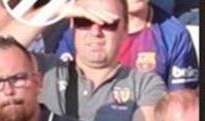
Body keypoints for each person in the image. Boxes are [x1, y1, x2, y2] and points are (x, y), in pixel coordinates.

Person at [39, 0, 165, 121]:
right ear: (72, 25)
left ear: (125, 29)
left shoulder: (144, 83)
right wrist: (55, 10)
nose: (96, 32)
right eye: (84, 21)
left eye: (108, 24)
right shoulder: (44, 70)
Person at [54, 0, 199, 90]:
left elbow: (181, 102)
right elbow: (57, 86)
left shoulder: (174, 33)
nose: (97, 32)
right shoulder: (81, 28)